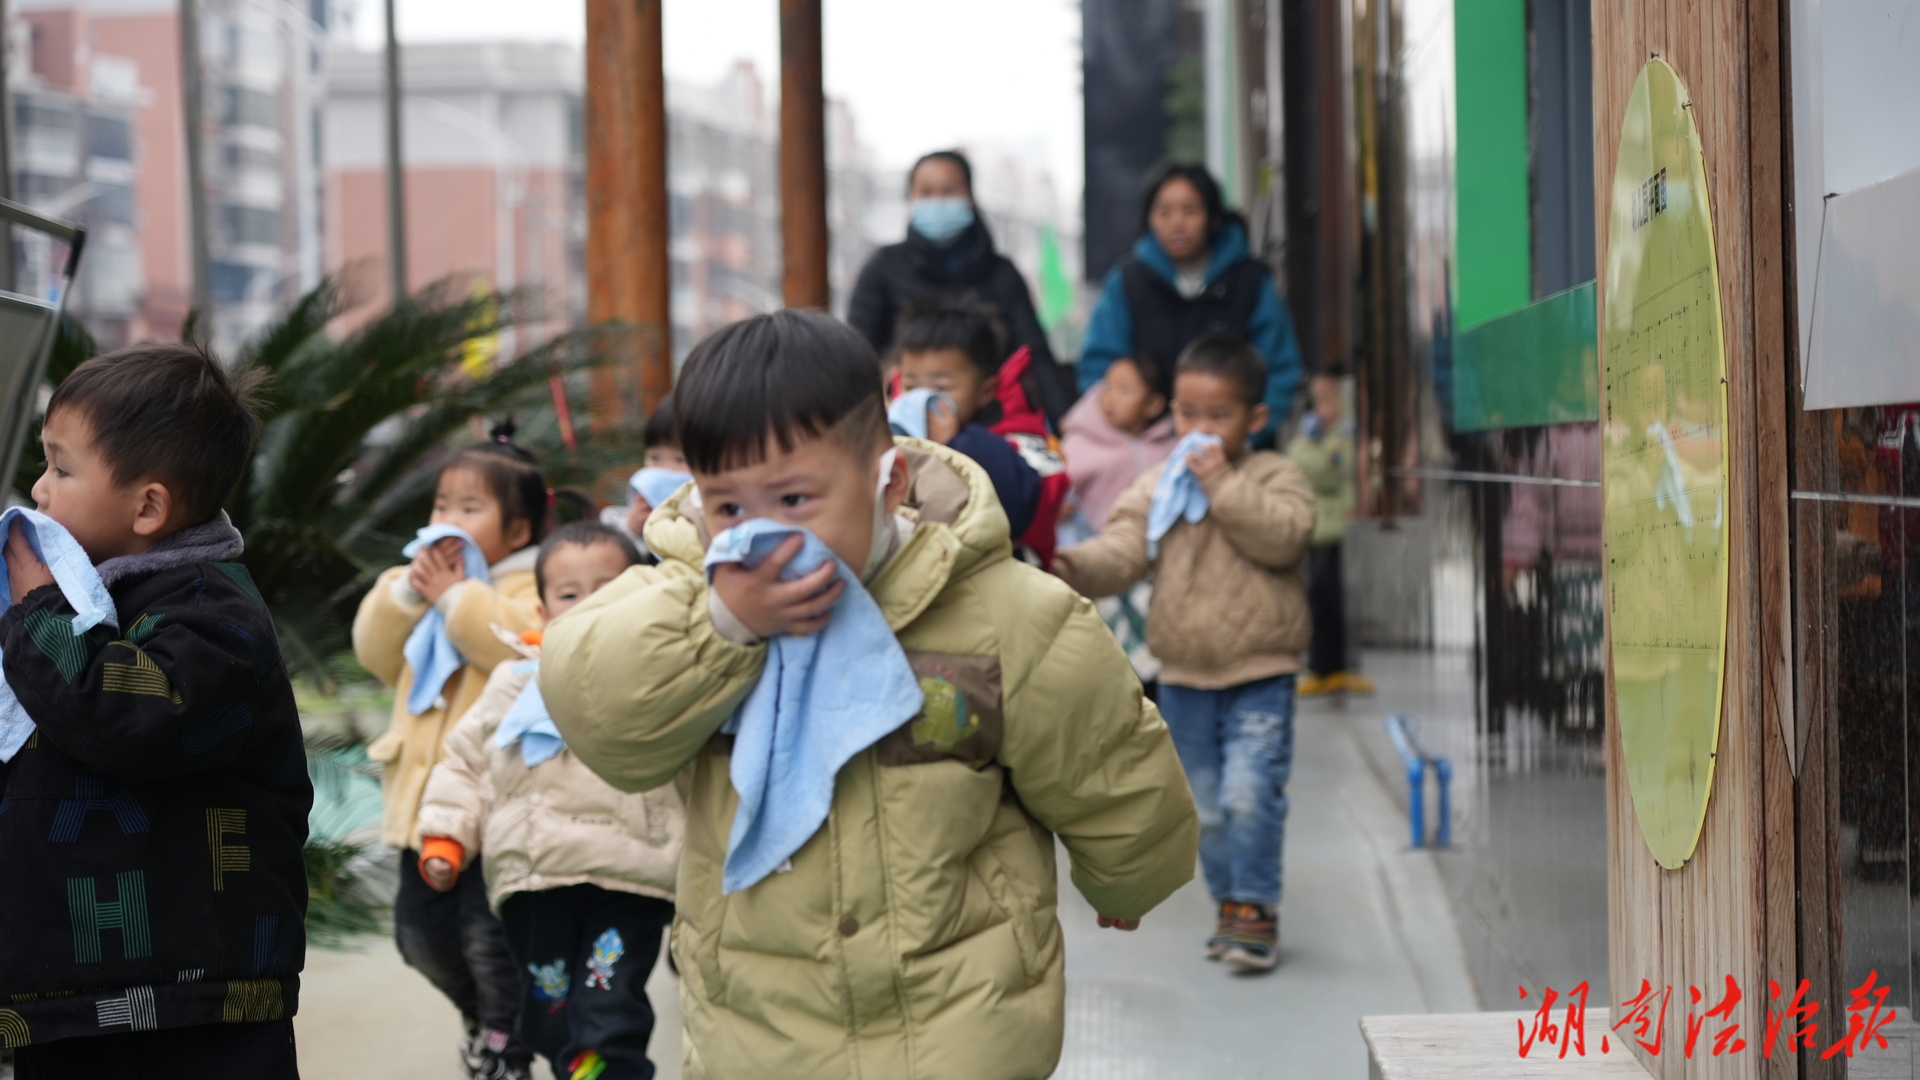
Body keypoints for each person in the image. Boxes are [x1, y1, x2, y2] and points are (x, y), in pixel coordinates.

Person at [539, 309, 1199, 1079]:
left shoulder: (997, 613)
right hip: (762, 1017)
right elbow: (597, 708)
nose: (761, 535)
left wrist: (1131, 870)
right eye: (728, 507)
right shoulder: (687, 600)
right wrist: (718, 627)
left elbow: (1100, 754)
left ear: (888, 483)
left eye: (794, 501)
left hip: (959, 1006)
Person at [0, 344, 310, 1078]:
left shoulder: (214, 616)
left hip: (188, 1006)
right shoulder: (95, 605)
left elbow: (126, 718)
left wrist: (37, 608)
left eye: (61, 468)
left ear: (149, 507)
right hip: (70, 999)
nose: (38, 492)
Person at [1053, 334, 1315, 973]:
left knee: (1251, 790)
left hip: (1261, 671)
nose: (1198, 430)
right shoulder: (1159, 485)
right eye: (1187, 414)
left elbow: (1285, 538)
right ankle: (1232, 904)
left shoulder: (1272, 475)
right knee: (1205, 803)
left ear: (1255, 419)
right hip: (1184, 677)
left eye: (1218, 417)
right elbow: (1122, 549)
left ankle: (1253, 907)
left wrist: (1222, 482)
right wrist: (1067, 566)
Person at [417, 521, 686, 1080]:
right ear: (541, 613)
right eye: (570, 594)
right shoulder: (515, 683)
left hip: (625, 876)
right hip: (535, 879)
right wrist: (446, 835)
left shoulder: (655, 678)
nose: (590, 605)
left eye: (608, 590)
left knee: (608, 1009)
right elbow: (464, 761)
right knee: (551, 1013)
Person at [353, 431, 547, 1080]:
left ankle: (505, 1047)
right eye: (442, 506)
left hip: (491, 817)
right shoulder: (416, 592)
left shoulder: (528, 590)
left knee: (489, 944)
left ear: (517, 531)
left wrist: (457, 599)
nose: (448, 522)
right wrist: (412, 596)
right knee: (419, 939)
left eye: (471, 509)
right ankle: (488, 1021)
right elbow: (377, 655)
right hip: (421, 812)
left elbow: (523, 650)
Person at [848, 149, 1078, 425]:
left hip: (994, 418)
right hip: (906, 419)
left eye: (949, 191)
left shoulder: (1002, 274)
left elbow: (1035, 355)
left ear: (970, 196)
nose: (938, 202)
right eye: (926, 192)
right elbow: (857, 351)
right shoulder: (883, 267)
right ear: (911, 198)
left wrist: (1066, 420)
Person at [1078, 163, 1304, 443]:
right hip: (1145, 452)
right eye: (1164, 212)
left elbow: (1280, 369)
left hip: (1239, 453)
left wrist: (1242, 439)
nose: (1177, 223)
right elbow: (1099, 368)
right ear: (1149, 219)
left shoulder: (1251, 281)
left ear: (1213, 217)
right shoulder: (1126, 283)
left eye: (1190, 210)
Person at [893, 294, 1067, 559]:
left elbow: (1027, 507)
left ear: (986, 390)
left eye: (941, 388)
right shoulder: (894, 425)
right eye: (911, 386)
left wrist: (959, 442)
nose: (922, 400)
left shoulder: (1015, 432)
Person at [1285, 374, 1375, 697]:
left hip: (1341, 529)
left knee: (1335, 602)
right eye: (1317, 401)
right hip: (1319, 529)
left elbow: (1328, 470)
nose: (1321, 409)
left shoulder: (1346, 438)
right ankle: (1322, 667)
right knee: (1320, 600)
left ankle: (1335, 667)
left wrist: (1313, 449)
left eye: (1328, 400)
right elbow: (1297, 463)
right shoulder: (1318, 437)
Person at [1061, 350, 1178, 531]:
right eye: (1107, 386)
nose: (1110, 397)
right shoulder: (1082, 439)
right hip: (1088, 542)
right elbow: (1056, 482)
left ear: (1153, 405)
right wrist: (1054, 507)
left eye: (1124, 389)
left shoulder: (1169, 448)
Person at [602, 395, 689, 556]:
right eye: (654, 458)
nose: (665, 469)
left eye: (680, 460)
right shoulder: (639, 504)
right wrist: (632, 529)